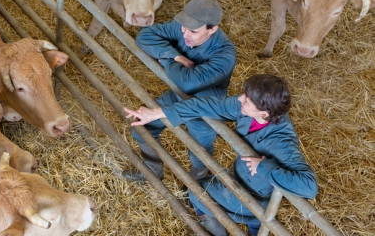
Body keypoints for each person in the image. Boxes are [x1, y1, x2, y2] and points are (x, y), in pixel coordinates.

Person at [124, 74, 318, 236]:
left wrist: (264, 167)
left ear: (264, 114)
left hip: (256, 194)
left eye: (247, 100)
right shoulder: (251, 110)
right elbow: (206, 105)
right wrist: (158, 113)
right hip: (242, 178)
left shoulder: (282, 141)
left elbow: (309, 186)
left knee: (196, 192)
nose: (240, 99)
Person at [124, 0, 237, 181]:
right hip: (178, 96)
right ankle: (153, 171)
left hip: (204, 108)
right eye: (183, 27)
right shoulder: (184, 27)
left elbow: (188, 82)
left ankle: (196, 187)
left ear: (213, 29)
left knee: (200, 152)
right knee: (141, 125)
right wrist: (175, 56)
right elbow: (144, 36)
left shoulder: (225, 54)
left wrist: (166, 60)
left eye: (193, 31)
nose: (185, 34)